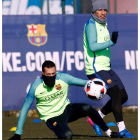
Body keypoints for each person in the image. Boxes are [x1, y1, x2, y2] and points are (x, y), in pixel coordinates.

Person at [9, 60, 119, 140]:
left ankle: (109, 132)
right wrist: (18, 133)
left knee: (87, 108)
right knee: (67, 136)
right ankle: (60, 131)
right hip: (52, 117)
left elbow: (85, 83)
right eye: (48, 74)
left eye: (53, 74)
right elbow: (25, 108)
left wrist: (103, 83)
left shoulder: (63, 78)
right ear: (42, 74)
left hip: (67, 110)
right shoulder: (36, 87)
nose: (52, 76)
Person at [83, 0, 135, 138]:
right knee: (116, 95)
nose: (103, 12)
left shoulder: (102, 23)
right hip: (95, 69)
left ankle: (96, 118)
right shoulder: (91, 25)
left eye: (105, 10)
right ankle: (122, 129)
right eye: (100, 10)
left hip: (105, 67)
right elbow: (93, 47)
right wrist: (111, 42)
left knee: (123, 96)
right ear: (94, 11)